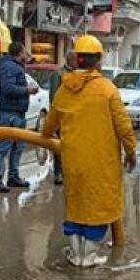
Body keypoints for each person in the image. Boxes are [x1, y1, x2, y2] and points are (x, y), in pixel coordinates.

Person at [41, 35, 137, 267]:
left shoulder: (64, 89)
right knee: (98, 207)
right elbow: (124, 126)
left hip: (73, 161)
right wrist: (131, 153)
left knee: (76, 206)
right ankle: (89, 256)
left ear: (78, 59)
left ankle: (76, 254)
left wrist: (52, 137)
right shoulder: (107, 89)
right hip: (101, 162)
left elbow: (48, 127)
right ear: (98, 60)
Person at [0, 42, 38, 193]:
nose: (27, 55)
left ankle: (13, 176)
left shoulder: (16, 66)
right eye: (25, 52)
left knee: (18, 147)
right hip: (9, 112)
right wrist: (26, 90)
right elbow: (7, 88)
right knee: (4, 147)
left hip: (18, 112)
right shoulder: (8, 66)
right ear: (20, 52)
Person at [47, 50, 76, 185]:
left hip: (74, 116)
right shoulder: (59, 74)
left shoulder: (78, 74)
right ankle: (58, 173)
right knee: (60, 145)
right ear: (68, 59)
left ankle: (69, 172)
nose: (77, 61)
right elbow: (54, 96)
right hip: (62, 115)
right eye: (74, 58)